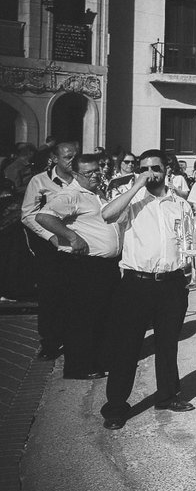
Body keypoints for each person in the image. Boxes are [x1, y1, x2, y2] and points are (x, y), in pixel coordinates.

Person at [99, 150, 196, 429]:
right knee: (126, 347)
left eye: (155, 167)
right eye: (144, 168)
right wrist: (136, 185)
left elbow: (186, 239)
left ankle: (168, 395)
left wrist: (188, 272)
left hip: (171, 282)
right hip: (136, 283)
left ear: (166, 168)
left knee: (168, 344)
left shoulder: (179, 203)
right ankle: (116, 407)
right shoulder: (131, 198)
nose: (150, 172)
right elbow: (107, 215)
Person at [33, 153, 120, 380]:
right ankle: (78, 366)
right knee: (82, 317)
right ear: (76, 173)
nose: (94, 175)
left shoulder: (95, 192)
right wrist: (71, 237)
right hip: (84, 265)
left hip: (104, 266)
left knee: (103, 314)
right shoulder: (71, 194)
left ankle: (99, 359)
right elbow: (43, 216)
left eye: (96, 171)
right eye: (88, 173)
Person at [21, 140, 81, 360]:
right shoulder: (40, 181)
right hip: (51, 247)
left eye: (75, 156)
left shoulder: (80, 180)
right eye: (67, 157)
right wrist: (51, 235)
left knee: (75, 293)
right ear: (54, 159)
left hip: (78, 245)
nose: (72, 160)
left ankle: (74, 338)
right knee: (50, 295)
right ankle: (50, 342)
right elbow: (28, 214)